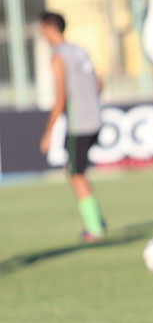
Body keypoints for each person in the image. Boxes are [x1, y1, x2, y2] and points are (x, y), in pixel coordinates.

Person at [38, 12, 106, 243]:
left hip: (79, 123)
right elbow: (99, 82)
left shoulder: (58, 56)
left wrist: (48, 133)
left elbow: (61, 96)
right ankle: (96, 219)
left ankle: (95, 228)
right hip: (95, 117)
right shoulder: (80, 50)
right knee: (76, 171)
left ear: (48, 28)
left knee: (76, 175)